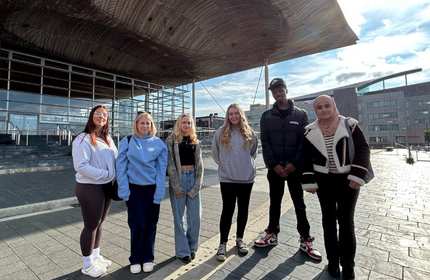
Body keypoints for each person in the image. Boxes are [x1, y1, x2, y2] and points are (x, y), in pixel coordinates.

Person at [301, 95, 370, 279]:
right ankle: (333, 263)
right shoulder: (309, 131)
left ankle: (348, 267)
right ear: (315, 111)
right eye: (319, 108)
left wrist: (357, 175)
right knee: (328, 222)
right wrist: (309, 181)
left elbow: (363, 149)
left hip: (348, 180)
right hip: (324, 182)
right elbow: (305, 158)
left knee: (346, 223)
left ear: (334, 106)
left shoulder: (350, 124)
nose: (323, 110)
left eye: (327, 106)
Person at [254, 78, 322, 261]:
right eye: (274, 91)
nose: (278, 93)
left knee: (299, 204)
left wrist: (293, 164)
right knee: (274, 203)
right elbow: (265, 143)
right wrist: (274, 165)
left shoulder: (300, 115)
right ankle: (271, 234)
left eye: (280, 89)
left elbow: (304, 143)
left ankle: (305, 239)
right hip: (275, 169)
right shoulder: (266, 116)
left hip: (295, 169)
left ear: (286, 90)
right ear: (272, 94)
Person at [116, 112, 167, 274]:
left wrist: (159, 193)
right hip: (134, 190)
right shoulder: (127, 141)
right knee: (136, 225)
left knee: (151, 225)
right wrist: (124, 190)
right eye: (142, 123)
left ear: (152, 126)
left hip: (152, 189)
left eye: (148, 123)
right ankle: (135, 258)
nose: (145, 126)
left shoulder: (159, 144)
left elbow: (161, 170)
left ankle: (148, 257)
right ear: (136, 125)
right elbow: (121, 168)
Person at [72, 105, 117, 278]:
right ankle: (87, 264)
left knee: (100, 223)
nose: (101, 117)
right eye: (98, 114)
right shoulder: (82, 139)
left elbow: (116, 158)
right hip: (90, 187)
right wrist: (106, 174)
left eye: (104, 115)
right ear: (91, 116)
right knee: (91, 225)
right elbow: (81, 166)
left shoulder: (107, 138)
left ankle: (96, 256)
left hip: (106, 186)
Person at [212, 104, 258, 262]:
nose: (233, 116)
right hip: (227, 179)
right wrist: (225, 166)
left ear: (241, 115)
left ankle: (239, 239)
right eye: (230, 114)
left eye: (236, 113)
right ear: (227, 116)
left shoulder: (250, 133)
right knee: (227, 210)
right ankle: (222, 244)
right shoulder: (220, 132)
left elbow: (253, 152)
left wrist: (245, 166)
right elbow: (215, 153)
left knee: (243, 210)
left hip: (246, 179)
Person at [166, 113, 204, 263]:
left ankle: (192, 247)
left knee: (195, 217)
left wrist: (197, 185)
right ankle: (183, 252)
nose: (186, 125)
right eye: (183, 123)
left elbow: (200, 166)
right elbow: (170, 164)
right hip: (178, 179)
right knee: (179, 219)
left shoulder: (196, 141)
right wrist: (176, 185)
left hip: (193, 177)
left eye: (189, 123)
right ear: (179, 124)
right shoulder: (171, 140)